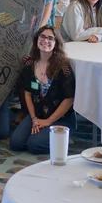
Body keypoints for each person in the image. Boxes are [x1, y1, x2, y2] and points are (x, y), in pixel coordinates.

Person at [9, 25, 76, 155]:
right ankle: (47, 135)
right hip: (38, 114)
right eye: (43, 36)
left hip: (60, 118)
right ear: (37, 39)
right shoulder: (30, 66)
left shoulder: (63, 68)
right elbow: (27, 94)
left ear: (56, 44)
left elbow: (69, 99)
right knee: (16, 143)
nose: (46, 41)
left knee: (35, 145)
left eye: (50, 38)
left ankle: (63, 138)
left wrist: (48, 121)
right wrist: (34, 118)